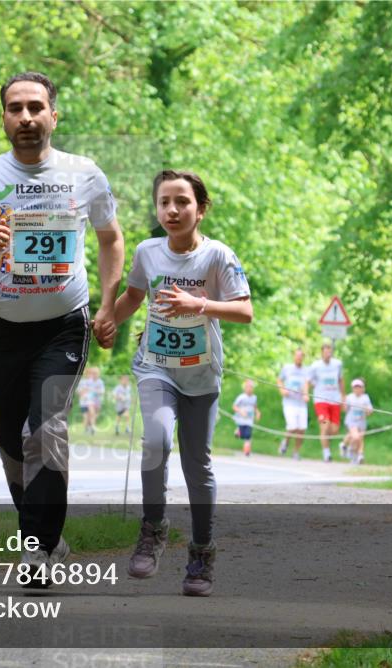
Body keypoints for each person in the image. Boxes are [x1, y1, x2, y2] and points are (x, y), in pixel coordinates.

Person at [0, 71, 123, 585]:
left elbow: (111, 239)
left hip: (64, 325)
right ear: (4, 118)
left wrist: (108, 306)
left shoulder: (85, 174)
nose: (25, 117)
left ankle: (38, 551)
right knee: (10, 440)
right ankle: (45, 536)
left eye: (35, 107)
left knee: (44, 430)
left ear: (53, 116)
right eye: (15, 108)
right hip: (3, 326)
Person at [112, 169, 252, 596]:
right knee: (155, 441)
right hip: (155, 365)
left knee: (197, 463)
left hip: (201, 373)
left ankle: (202, 553)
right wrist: (106, 320)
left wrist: (199, 304)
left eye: (182, 202)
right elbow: (134, 296)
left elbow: (244, 311)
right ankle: (152, 529)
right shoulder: (147, 252)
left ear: (201, 209)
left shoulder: (217, 256)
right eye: (164, 202)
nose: (172, 210)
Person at [309, 342, 345, 463]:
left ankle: (326, 443)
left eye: (329, 352)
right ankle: (326, 453)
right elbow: (308, 381)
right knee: (325, 425)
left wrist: (343, 397)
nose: (327, 354)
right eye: (325, 352)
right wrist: (305, 393)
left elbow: (341, 380)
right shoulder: (315, 366)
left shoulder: (337, 364)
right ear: (322, 353)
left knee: (334, 430)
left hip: (334, 400)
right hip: (321, 401)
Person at [277, 348, 310, 460]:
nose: (299, 358)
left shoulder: (306, 370)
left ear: (303, 358)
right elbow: (279, 380)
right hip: (289, 403)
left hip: (301, 403)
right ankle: (285, 442)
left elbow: (306, 384)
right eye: (297, 356)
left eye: (301, 356)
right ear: (294, 357)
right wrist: (282, 390)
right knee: (292, 427)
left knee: (302, 429)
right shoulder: (287, 368)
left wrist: (306, 394)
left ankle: (296, 451)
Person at [343, 378, 373, 465]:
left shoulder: (365, 398)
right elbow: (345, 410)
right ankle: (353, 451)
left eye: (359, 387)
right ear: (352, 388)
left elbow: (369, 411)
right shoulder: (349, 397)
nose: (357, 389)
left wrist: (367, 410)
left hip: (361, 421)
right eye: (355, 387)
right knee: (356, 437)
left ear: (362, 388)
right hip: (351, 421)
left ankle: (357, 455)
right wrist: (344, 404)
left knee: (360, 439)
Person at [232, 379, 261, 457]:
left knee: (248, 435)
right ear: (245, 388)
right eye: (248, 387)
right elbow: (234, 407)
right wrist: (241, 411)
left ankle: (247, 451)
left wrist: (257, 413)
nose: (249, 389)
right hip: (241, 419)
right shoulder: (241, 397)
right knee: (242, 435)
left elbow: (254, 407)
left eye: (251, 387)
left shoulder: (254, 397)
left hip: (249, 420)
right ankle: (238, 431)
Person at [79, 367, 105, 436]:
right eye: (91, 373)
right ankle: (90, 428)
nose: (92, 375)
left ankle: (90, 428)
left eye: (94, 373)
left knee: (93, 415)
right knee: (88, 416)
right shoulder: (85, 381)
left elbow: (101, 391)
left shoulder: (99, 382)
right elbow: (81, 391)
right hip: (87, 401)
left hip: (96, 401)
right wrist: (84, 392)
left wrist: (94, 391)